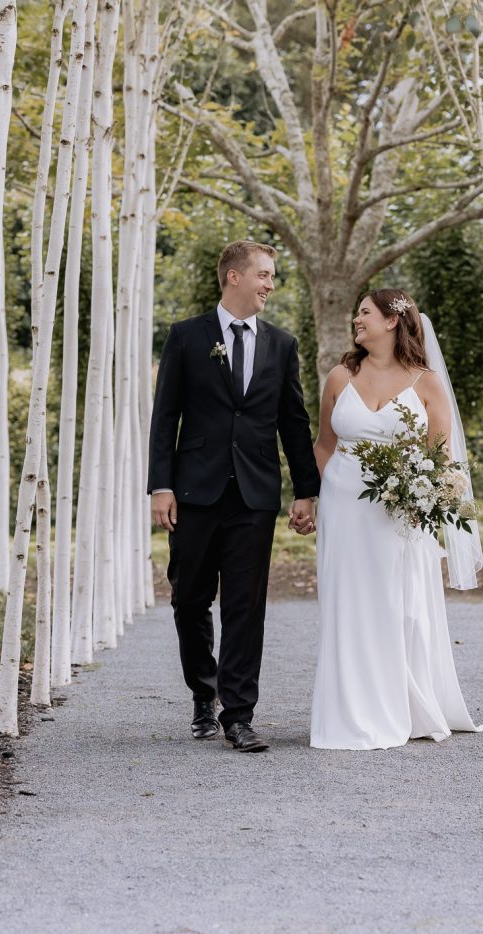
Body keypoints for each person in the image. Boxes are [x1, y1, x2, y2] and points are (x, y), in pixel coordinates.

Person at [147, 239, 319, 753]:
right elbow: (165, 418)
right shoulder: (185, 337)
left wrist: (306, 490)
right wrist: (161, 484)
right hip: (195, 492)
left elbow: (294, 422)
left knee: (246, 605)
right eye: (264, 274)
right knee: (190, 598)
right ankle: (204, 691)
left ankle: (239, 714)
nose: (271, 284)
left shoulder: (281, 345)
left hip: (254, 495)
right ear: (233, 277)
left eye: (272, 276)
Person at [310, 289, 481, 750]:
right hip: (344, 511)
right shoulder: (339, 377)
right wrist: (323, 494)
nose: (356, 319)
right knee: (347, 604)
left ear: (391, 321)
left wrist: (425, 494)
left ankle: (402, 706)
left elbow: (443, 458)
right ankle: (347, 711)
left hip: (398, 514)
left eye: (364, 312)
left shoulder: (426, 383)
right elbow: (324, 445)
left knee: (396, 607)